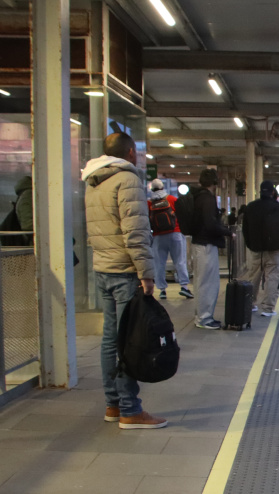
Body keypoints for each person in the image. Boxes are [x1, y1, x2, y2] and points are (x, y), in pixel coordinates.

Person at [81, 132, 166, 429]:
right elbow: (136, 232)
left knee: (110, 340)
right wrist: (146, 273)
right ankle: (130, 409)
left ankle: (113, 405)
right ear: (130, 153)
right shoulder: (127, 180)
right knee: (129, 341)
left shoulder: (94, 181)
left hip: (103, 268)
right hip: (125, 271)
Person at [191, 168, 232, 329]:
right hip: (206, 245)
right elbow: (210, 224)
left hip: (199, 243)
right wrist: (227, 232)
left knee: (201, 281)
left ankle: (201, 315)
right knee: (208, 283)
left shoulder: (197, 197)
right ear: (214, 183)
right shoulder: (207, 199)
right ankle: (204, 318)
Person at [243, 181, 279, 316]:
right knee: (272, 278)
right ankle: (268, 308)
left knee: (253, 277)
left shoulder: (251, 207)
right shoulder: (278, 208)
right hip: (274, 251)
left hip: (256, 250)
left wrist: (250, 244)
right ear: (273, 192)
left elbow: (245, 229)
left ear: (260, 191)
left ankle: (250, 304)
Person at [148, 179, 193, 300]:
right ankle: (184, 287)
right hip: (175, 234)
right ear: (163, 188)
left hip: (158, 237)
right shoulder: (172, 199)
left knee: (159, 264)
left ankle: (162, 290)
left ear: (152, 189)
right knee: (180, 261)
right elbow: (182, 215)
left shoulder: (149, 203)